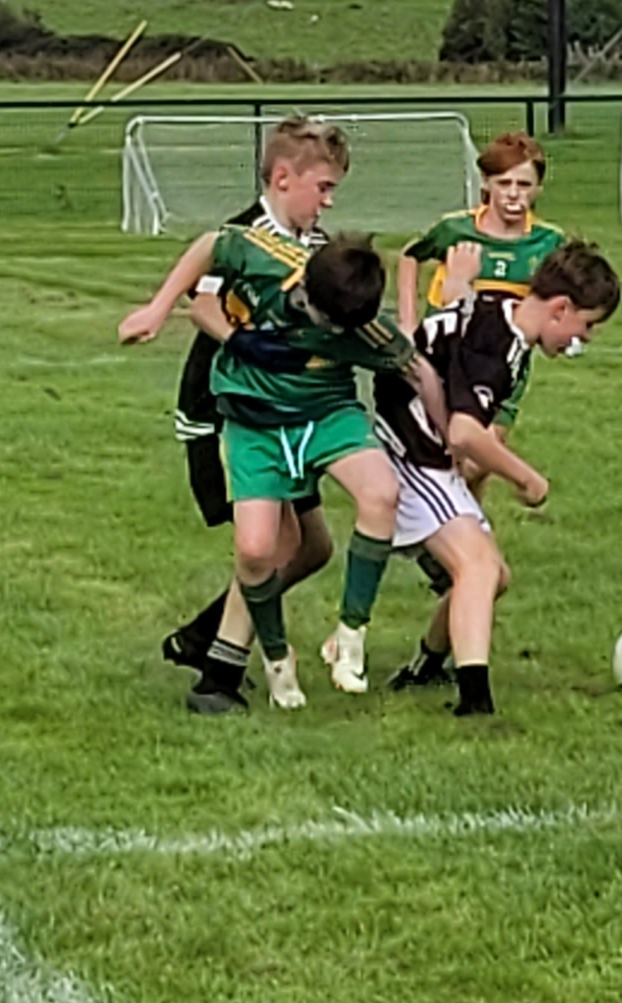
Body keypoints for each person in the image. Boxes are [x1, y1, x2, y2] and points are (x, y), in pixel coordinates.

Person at [122, 118, 445, 713]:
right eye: (324, 187)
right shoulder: (252, 238)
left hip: (305, 408)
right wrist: (188, 321)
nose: (329, 201)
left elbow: (387, 350)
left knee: (309, 546)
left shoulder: (316, 253)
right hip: (238, 408)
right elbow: (205, 305)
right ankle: (225, 664)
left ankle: (225, 645)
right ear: (282, 178)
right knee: (270, 547)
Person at [366, 245, 620, 716]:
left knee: (493, 577)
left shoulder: (503, 313)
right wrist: (526, 478)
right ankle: (475, 703)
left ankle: (425, 668)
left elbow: (458, 315)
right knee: (478, 567)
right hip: (411, 450)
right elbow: (464, 433)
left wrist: (460, 281)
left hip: (422, 443)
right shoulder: (499, 346)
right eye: (587, 325)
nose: (583, 339)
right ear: (560, 308)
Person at [402, 132, 576, 316]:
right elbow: (410, 256)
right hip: (448, 332)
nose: (513, 194)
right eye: (504, 183)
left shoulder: (549, 241)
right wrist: (407, 321)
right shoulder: (453, 228)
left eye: (524, 185)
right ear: (486, 183)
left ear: (538, 189)